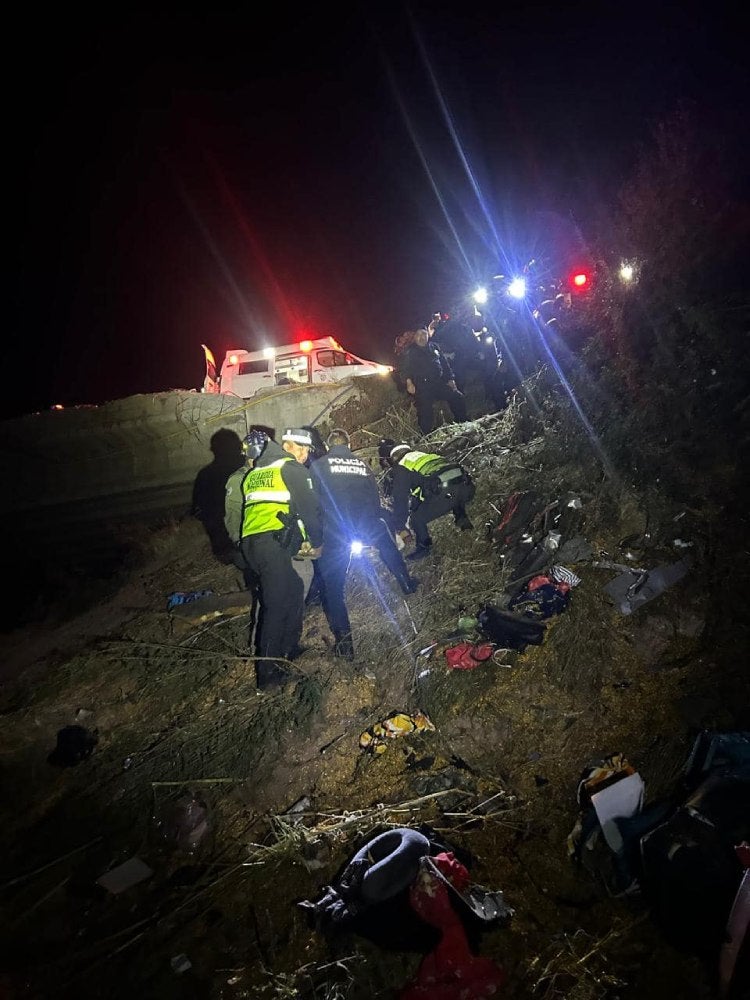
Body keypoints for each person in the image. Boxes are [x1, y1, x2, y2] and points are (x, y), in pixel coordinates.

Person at [311, 429, 419, 660]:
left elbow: (314, 502)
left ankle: (346, 646)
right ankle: (407, 584)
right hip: (366, 522)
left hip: (335, 529)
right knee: (388, 548)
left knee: (333, 587)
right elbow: (373, 498)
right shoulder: (362, 465)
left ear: (329, 447)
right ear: (348, 445)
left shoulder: (319, 465)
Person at [236, 427, 323, 690]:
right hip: (271, 545)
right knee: (275, 606)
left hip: (253, 545)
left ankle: (289, 647)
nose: (306, 456)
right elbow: (309, 509)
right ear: (287, 447)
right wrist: (317, 544)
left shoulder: (254, 474)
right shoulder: (290, 468)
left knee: (294, 589)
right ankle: (268, 674)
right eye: (304, 450)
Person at [378, 440, 476, 561]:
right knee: (448, 491)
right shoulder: (423, 456)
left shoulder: (401, 467)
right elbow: (425, 484)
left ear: (393, 458)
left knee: (417, 519)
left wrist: (400, 523)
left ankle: (424, 547)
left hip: (445, 491)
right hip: (467, 487)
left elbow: (400, 498)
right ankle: (462, 519)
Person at [399, 327, 467, 435]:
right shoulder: (410, 352)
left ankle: (463, 424)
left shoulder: (434, 347)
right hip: (422, 387)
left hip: (438, 384)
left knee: (457, 396)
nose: (421, 337)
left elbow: (445, 365)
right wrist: (409, 383)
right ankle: (425, 436)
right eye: (418, 335)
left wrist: (450, 379)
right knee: (425, 410)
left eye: (423, 334)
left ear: (428, 335)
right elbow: (405, 369)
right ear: (415, 338)